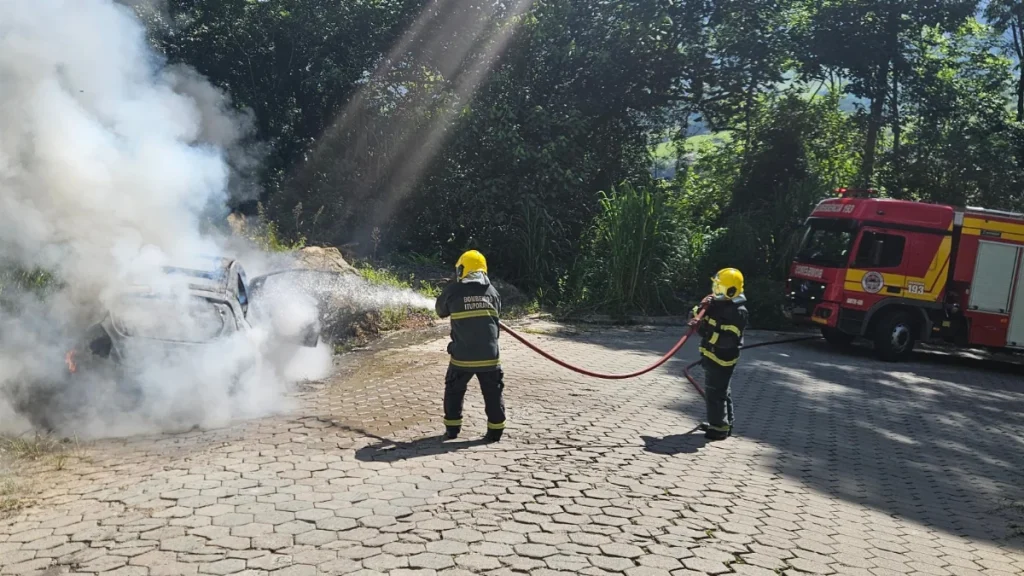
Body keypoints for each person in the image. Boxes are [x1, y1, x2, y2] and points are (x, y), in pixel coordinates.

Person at [434, 250, 506, 442]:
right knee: (493, 392)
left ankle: (452, 429)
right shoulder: (493, 292)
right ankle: (495, 431)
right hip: (490, 357)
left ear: (462, 269)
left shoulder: (453, 291)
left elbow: (440, 311)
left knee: (454, 390)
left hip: (462, 356)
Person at [689, 268, 749, 441]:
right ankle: (724, 424)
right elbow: (695, 316)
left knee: (715, 393)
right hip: (711, 355)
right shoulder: (716, 304)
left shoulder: (738, 312)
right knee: (722, 391)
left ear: (730, 290)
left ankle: (718, 429)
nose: (715, 291)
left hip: (722, 359)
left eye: (719, 287)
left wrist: (705, 331)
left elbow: (727, 340)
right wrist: (699, 309)